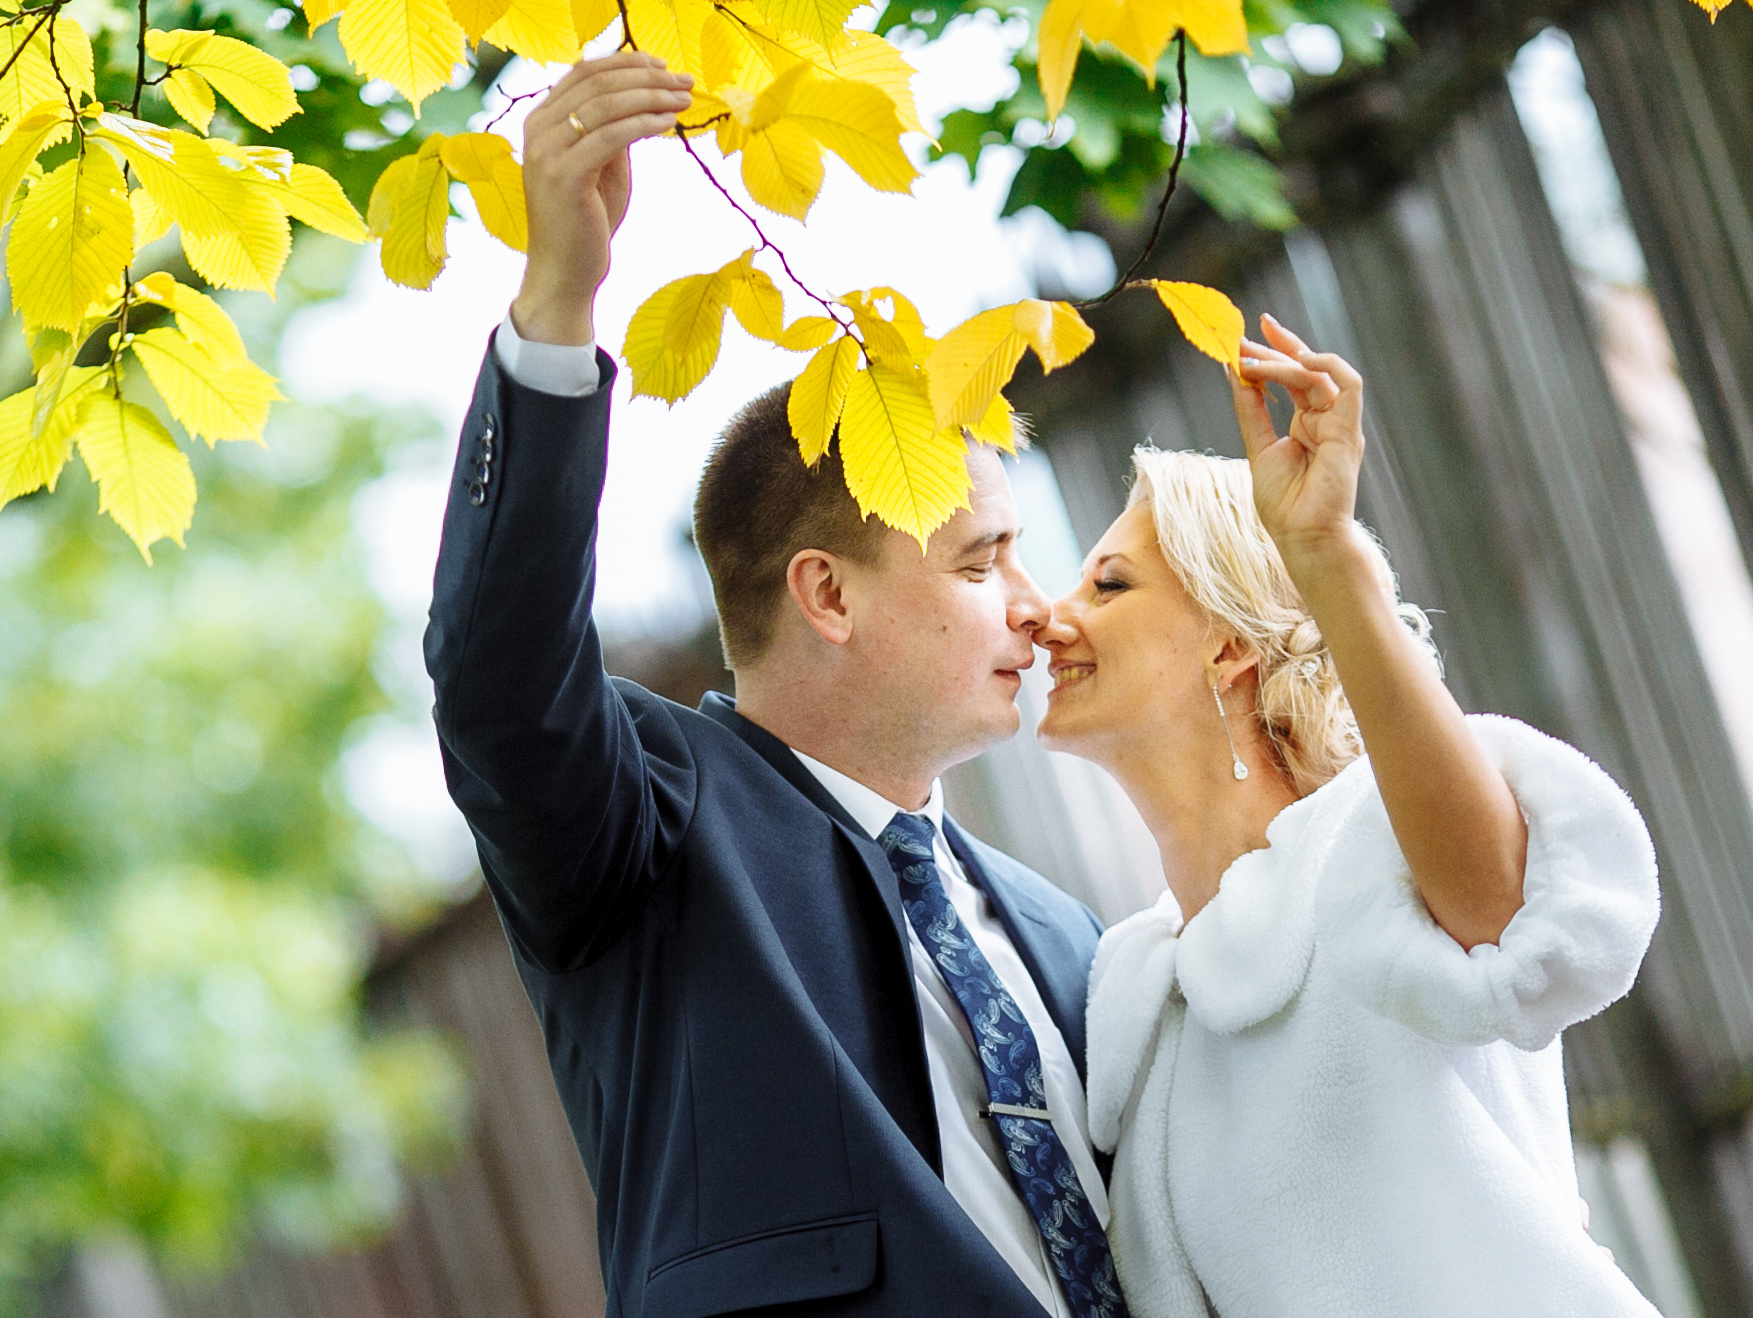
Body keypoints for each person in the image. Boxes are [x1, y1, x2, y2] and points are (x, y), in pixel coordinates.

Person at [426, 51, 1130, 1317]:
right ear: (829, 594)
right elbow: (497, 677)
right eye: (982, 562)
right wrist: (558, 299)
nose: (1035, 602)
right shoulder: (640, 838)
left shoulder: (1071, 935)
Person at [1034, 315, 1664, 1316]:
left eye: (1109, 582)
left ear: (1229, 647)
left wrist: (1321, 550)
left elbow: (1510, 920)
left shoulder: (1374, 849)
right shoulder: (1135, 1005)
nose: (1048, 616)